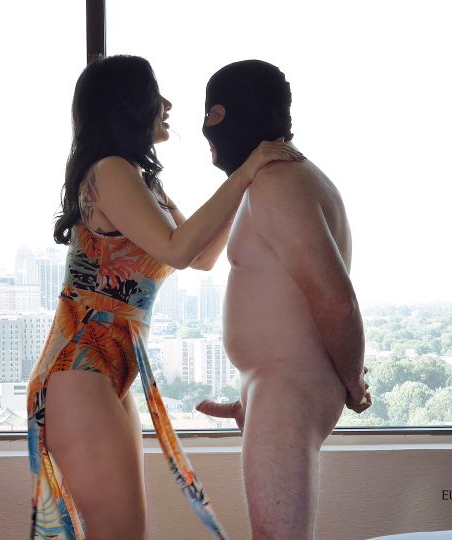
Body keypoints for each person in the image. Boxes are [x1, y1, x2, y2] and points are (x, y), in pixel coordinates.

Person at [26, 55, 303, 540]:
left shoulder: (141, 180)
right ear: (129, 104)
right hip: (79, 369)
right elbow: (177, 249)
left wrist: (246, 176)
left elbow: (202, 256)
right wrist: (247, 170)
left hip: (106, 371)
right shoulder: (110, 170)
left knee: (126, 532)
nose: (168, 105)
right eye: (156, 94)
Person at [195, 60, 371, 540]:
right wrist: (252, 396)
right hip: (277, 391)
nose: (205, 132)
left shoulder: (278, 181)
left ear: (228, 114)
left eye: (211, 116)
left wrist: (353, 383)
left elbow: (336, 302)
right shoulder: (277, 180)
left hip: (286, 393)